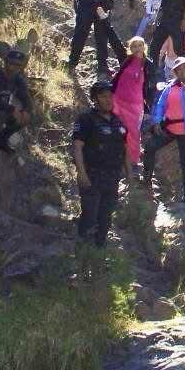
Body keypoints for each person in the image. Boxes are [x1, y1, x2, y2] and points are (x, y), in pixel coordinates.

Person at [72, 80, 128, 246]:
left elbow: (124, 149)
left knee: (106, 217)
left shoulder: (118, 121)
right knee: (90, 216)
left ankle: (99, 253)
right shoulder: (86, 119)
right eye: (103, 96)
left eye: (110, 96)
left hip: (112, 177)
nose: (108, 99)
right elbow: (77, 147)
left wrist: (130, 175)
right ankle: (83, 253)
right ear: (95, 99)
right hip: (92, 175)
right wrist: (81, 173)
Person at [144, 58, 185, 198]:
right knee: (149, 147)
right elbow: (160, 104)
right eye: (179, 69)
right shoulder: (169, 87)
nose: (182, 71)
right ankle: (147, 181)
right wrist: (157, 121)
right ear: (176, 72)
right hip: (170, 127)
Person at [108, 37, 156, 172]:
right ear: (131, 48)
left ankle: (134, 161)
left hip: (135, 104)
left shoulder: (148, 65)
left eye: (140, 45)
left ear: (144, 47)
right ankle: (116, 157)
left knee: (134, 132)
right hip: (118, 99)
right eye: (134, 46)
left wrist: (148, 107)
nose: (137, 48)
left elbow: (151, 87)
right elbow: (118, 77)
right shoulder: (127, 61)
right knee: (115, 128)